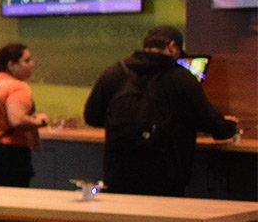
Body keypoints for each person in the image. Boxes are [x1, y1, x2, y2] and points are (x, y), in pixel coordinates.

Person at [82, 25, 239, 196]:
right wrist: (230, 126)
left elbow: (91, 116)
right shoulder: (181, 78)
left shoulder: (115, 73)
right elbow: (210, 122)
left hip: (118, 173)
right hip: (165, 176)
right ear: (172, 47)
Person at [0, 43, 49, 187]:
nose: (32, 64)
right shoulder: (18, 87)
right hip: (12, 153)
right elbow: (17, 119)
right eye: (27, 60)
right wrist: (40, 121)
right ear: (11, 64)